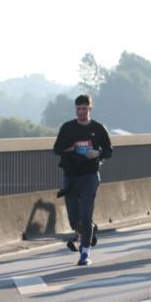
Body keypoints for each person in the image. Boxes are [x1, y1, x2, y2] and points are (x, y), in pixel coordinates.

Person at [53, 94, 113, 266]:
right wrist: (70, 149)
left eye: (84, 109)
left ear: (90, 109)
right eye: (78, 109)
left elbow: (109, 151)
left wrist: (98, 153)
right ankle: (89, 230)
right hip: (71, 176)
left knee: (85, 215)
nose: (81, 112)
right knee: (74, 219)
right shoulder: (67, 128)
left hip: (90, 176)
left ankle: (85, 253)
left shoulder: (98, 128)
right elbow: (56, 149)